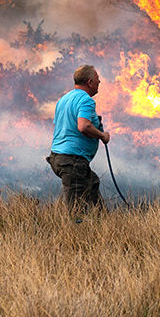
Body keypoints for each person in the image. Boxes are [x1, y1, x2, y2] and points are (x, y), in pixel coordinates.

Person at [46, 65, 110, 213]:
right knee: (75, 210)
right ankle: (74, 232)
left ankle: (104, 224)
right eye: (97, 80)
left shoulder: (64, 99)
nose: (99, 83)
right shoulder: (86, 100)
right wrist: (102, 135)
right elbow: (83, 126)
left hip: (58, 157)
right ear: (90, 82)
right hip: (72, 161)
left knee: (92, 184)